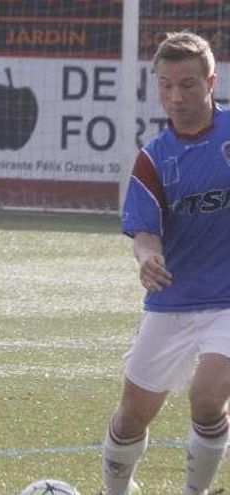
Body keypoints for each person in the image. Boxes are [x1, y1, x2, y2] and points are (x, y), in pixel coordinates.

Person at [103, 31, 230, 495]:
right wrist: (147, 255)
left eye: (188, 84)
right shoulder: (153, 157)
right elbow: (144, 230)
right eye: (166, 85)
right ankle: (115, 490)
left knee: (207, 398)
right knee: (132, 415)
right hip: (172, 300)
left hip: (228, 302)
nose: (176, 96)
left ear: (211, 80)